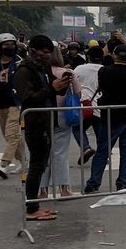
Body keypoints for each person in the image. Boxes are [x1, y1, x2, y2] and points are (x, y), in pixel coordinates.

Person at [15, 35, 72, 220]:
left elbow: (49, 90)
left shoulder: (44, 68)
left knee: (40, 164)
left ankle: (34, 205)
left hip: (48, 120)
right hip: (34, 122)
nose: (47, 56)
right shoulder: (24, 70)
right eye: (44, 53)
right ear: (33, 51)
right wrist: (52, 88)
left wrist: (61, 86)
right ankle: (31, 209)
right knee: (37, 165)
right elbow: (28, 98)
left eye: (50, 53)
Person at [84, 43, 126, 194]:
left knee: (103, 150)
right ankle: (122, 183)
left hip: (109, 116)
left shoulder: (104, 72)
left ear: (114, 55)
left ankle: (93, 182)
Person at [38, 45, 82, 199]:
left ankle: (42, 190)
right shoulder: (67, 73)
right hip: (63, 115)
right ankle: (64, 188)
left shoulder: (40, 73)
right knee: (61, 153)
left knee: (43, 154)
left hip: (42, 115)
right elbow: (78, 92)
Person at [0, 33, 25, 178]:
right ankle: (22, 161)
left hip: (15, 103)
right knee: (11, 137)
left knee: (12, 135)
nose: (9, 47)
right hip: (0, 103)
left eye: (12, 44)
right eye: (6, 45)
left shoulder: (20, 62)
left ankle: (4, 164)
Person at [73, 43, 103, 164]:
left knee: (77, 128)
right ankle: (103, 156)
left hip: (83, 105)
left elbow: (73, 85)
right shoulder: (104, 70)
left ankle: (85, 147)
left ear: (88, 56)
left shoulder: (79, 69)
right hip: (100, 106)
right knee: (100, 133)